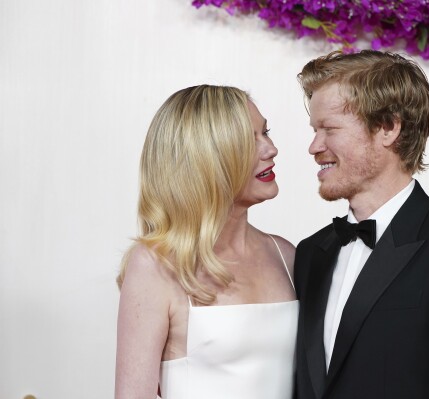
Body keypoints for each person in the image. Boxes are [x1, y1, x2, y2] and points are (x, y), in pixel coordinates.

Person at [293, 50, 429, 399]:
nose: (314, 146)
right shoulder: (310, 253)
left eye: (330, 129)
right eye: (314, 130)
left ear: (388, 127)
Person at [115, 85, 297, 399]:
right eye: (249, 140)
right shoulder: (156, 265)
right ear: (208, 157)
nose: (270, 149)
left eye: (265, 133)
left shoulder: (284, 254)